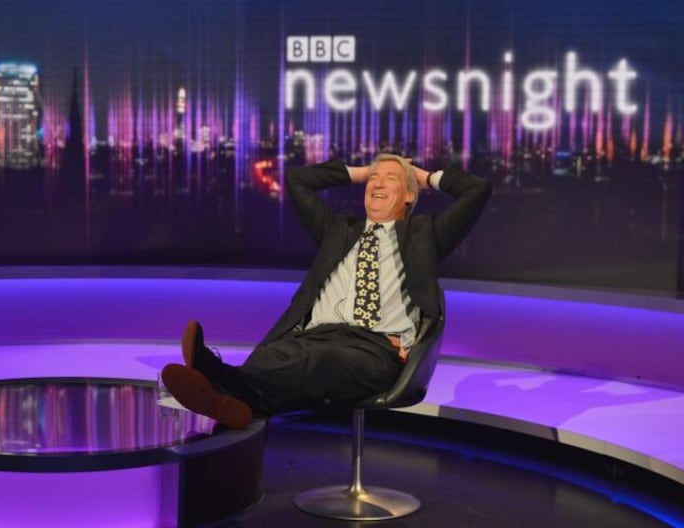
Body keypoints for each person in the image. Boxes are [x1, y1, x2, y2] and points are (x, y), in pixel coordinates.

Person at [161, 154, 491, 429]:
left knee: (321, 361)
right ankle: (235, 402)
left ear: (409, 195)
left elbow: (477, 190)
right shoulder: (339, 231)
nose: (377, 182)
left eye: (389, 179)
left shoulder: (425, 236)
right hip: (312, 336)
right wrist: (359, 173)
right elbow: (297, 181)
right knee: (272, 357)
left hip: (374, 347)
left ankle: (219, 378)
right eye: (373, 178)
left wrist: (425, 176)